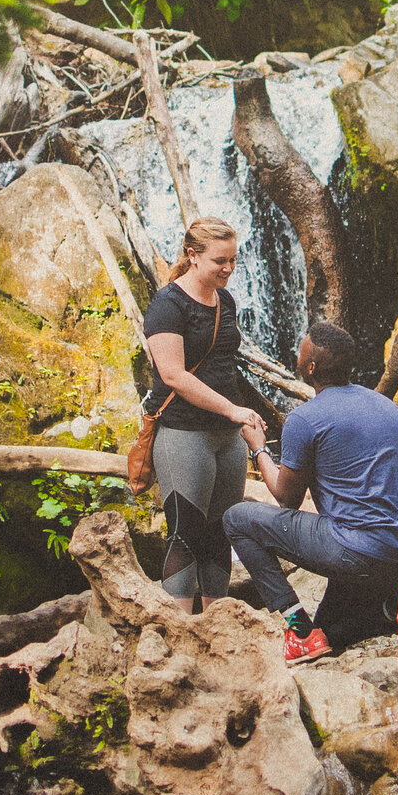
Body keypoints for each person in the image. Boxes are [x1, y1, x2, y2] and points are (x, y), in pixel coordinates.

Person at [225, 320, 398, 661]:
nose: (297, 354)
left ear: (311, 367)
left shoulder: (305, 420)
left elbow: (286, 498)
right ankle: (393, 609)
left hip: (359, 551)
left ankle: (298, 630)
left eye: (301, 351)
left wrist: (259, 448)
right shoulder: (387, 408)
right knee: (331, 636)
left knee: (237, 518)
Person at [140, 218, 267, 612]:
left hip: (226, 439)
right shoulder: (168, 305)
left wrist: (243, 416)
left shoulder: (223, 301)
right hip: (183, 433)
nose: (228, 268)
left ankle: (216, 623)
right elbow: (173, 374)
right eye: (219, 261)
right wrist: (233, 409)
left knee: (220, 533)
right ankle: (178, 631)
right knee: (185, 534)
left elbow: (223, 364)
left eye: (233, 259)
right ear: (193, 256)